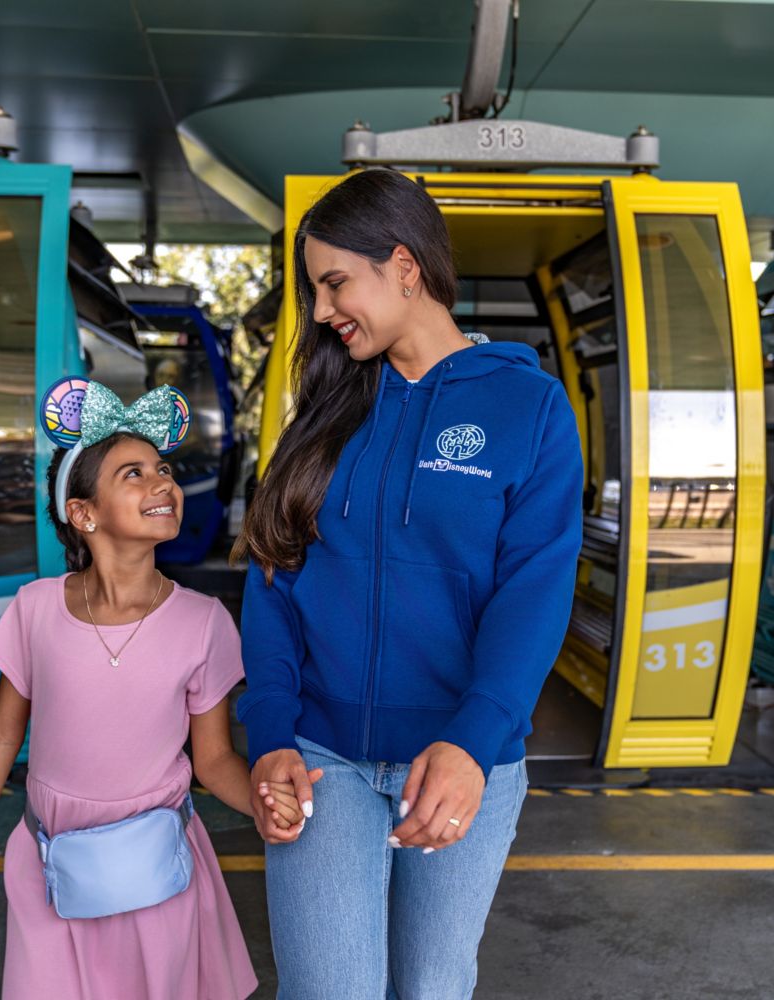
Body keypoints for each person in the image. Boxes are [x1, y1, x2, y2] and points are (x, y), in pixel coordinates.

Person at [233, 168, 584, 1000]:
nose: (323, 310)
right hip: (324, 760)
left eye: (334, 283)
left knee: (432, 988)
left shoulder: (530, 407)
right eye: (316, 291)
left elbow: (534, 591)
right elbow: (273, 580)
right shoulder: (324, 410)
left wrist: (475, 741)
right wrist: (273, 733)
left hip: (462, 758)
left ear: (402, 266)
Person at [0, 380, 309, 1000]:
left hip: (157, 872)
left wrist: (261, 803)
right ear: (83, 514)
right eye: (133, 474)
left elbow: (212, 758)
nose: (162, 483)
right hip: (48, 868)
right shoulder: (35, 608)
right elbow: (1, 736)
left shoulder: (203, 621)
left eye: (164, 470)